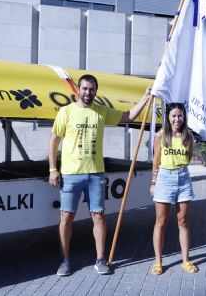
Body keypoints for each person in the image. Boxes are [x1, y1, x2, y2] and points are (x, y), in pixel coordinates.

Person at [48, 74, 151, 276]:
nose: (88, 92)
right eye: (85, 89)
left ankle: (101, 260)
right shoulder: (66, 112)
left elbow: (128, 116)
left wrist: (145, 98)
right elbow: (54, 140)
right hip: (70, 174)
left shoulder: (101, 112)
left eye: (92, 89)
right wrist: (53, 169)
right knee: (66, 217)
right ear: (78, 90)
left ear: (96, 91)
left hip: (95, 174)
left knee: (99, 216)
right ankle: (65, 261)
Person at [150, 102, 198, 275]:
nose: (177, 119)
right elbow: (156, 160)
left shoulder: (188, 136)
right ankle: (158, 262)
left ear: (183, 117)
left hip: (183, 178)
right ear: (168, 118)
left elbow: (189, 157)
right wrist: (153, 183)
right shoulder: (161, 135)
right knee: (161, 222)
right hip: (164, 178)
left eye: (180, 115)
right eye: (173, 116)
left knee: (183, 221)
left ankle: (186, 260)